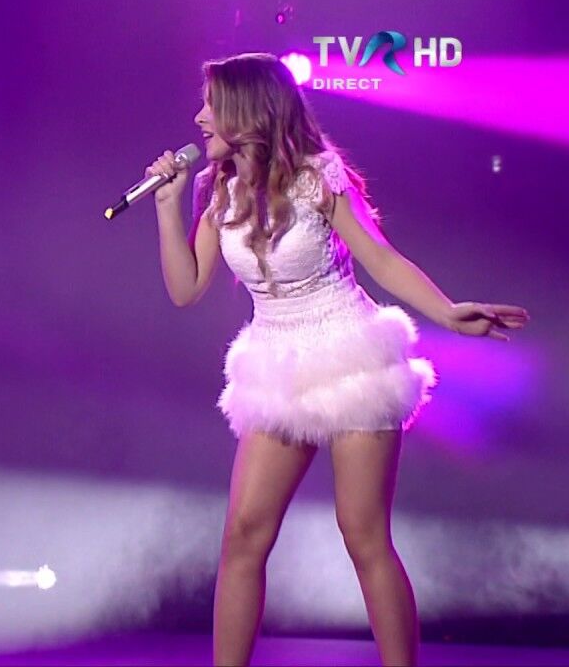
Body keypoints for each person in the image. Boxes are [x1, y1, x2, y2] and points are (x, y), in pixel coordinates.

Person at [146, 52, 529, 666]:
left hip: (349, 353)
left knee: (362, 533)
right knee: (243, 536)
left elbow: (381, 259)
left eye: (211, 106)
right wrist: (168, 209)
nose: (199, 118)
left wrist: (448, 312)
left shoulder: (316, 176)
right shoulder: (218, 190)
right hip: (276, 364)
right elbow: (186, 288)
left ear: (247, 112)